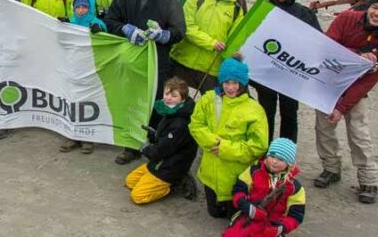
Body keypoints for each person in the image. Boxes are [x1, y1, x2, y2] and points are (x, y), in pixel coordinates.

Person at [313, 0, 378, 204]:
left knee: (359, 133)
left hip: (356, 88)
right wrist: (357, 57)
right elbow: (326, 49)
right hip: (329, 82)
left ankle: (368, 179)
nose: (377, 13)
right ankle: (331, 169)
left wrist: (342, 108)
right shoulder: (346, 19)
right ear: (368, 7)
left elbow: (368, 82)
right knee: (324, 128)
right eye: (375, 7)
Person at [105, 0, 186, 165]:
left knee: (156, 103)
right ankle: (131, 145)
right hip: (131, 62)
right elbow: (110, 19)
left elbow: (179, 30)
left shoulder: (168, 1)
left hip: (158, 62)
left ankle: (157, 146)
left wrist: (164, 35)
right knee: (132, 102)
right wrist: (125, 28)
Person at [189, 56, 269, 218]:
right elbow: (196, 124)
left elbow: (259, 145)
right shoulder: (208, 99)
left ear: (243, 83)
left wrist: (225, 148)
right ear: (221, 81)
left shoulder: (254, 110)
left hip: (237, 178)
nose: (231, 87)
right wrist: (212, 142)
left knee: (234, 216)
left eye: (236, 83)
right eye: (227, 82)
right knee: (214, 214)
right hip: (210, 173)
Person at [254, 0, 321, 143]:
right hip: (266, 73)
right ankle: (263, 150)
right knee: (265, 113)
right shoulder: (262, 10)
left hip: (291, 74)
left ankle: (285, 155)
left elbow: (318, 42)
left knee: (289, 114)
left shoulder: (304, 13)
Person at [170, 0, 247, 93]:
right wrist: (211, 43)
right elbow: (187, 27)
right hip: (182, 60)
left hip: (211, 68)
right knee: (174, 102)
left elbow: (234, 40)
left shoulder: (236, 9)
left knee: (212, 107)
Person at [124, 77, 198, 204]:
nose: (168, 98)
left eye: (174, 95)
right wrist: (154, 134)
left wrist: (145, 149)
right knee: (130, 181)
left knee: (137, 196)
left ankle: (173, 185)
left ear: (183, 98)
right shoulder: (172, 110)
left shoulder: (180, 123)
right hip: (160, 162)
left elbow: (163, 149)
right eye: (166, 93)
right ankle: (157, 182)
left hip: (170, 167)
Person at [223, 137, 305, 237]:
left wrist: (281, 228)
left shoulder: (295, 188)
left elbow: (296, 215)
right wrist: (247, 207)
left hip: (273, 224)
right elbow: (238, 190)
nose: (274, 161)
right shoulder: (253, 171)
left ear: (289, 164)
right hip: (249, 215)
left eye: (281, 159)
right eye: (272, 156)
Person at [57, 0, 105, 152]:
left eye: (85, 7)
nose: (81, 10)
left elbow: (107, 40)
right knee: (72, 101)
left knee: (88, 103)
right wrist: (61, 26)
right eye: (78, 7)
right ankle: (73, 135)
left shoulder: (96, 23)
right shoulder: (71, 22)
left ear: (90, 8)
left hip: (90, 69)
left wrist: (101, 30)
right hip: (73, 68)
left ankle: (88, 137)